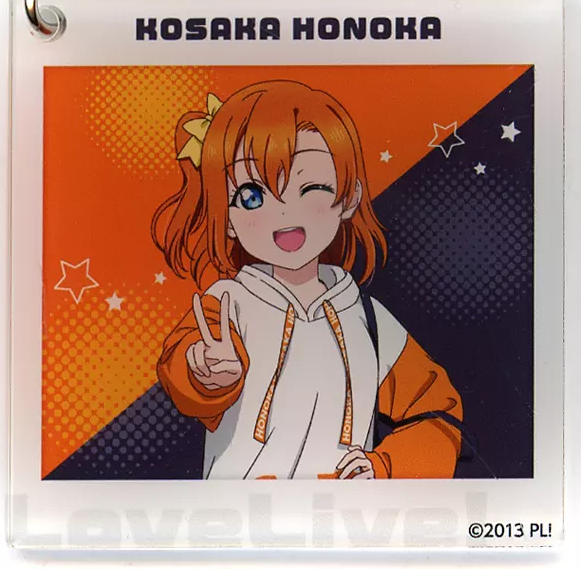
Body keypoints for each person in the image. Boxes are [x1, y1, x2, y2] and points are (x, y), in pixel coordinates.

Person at [151, 80, 462, 479]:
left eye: (311, 188)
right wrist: (208, 375)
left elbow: (438, 410)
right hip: (240, 510)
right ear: (225, 216)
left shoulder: (367, 319)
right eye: (252, 195)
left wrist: (386, 468)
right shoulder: (229, 303)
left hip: (343, 514)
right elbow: (182, 370)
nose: (284, 213)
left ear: (348, 197)